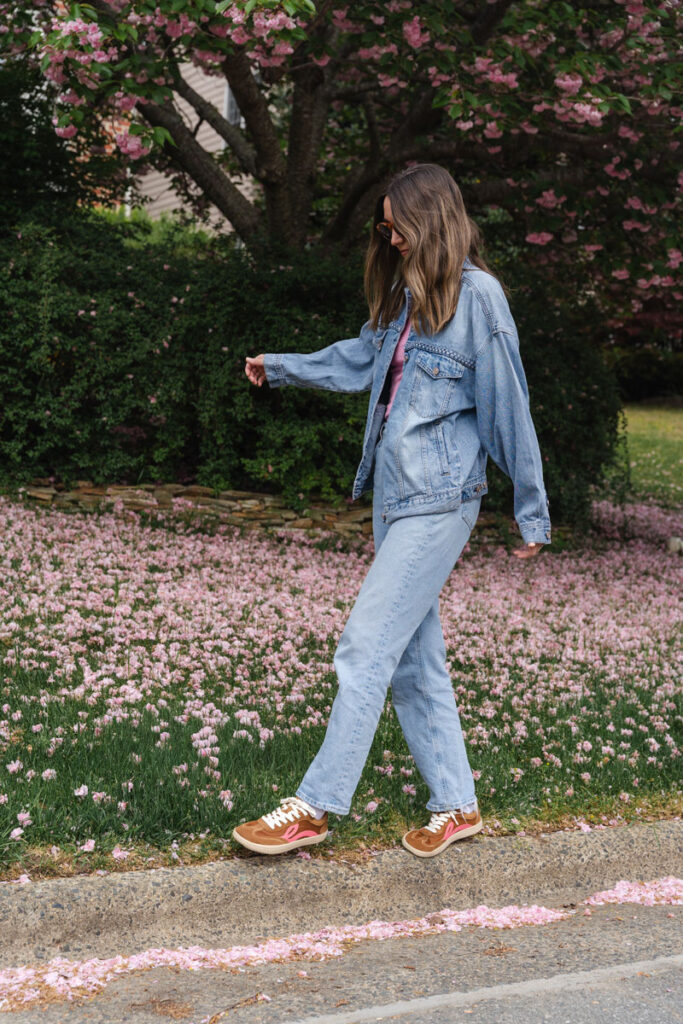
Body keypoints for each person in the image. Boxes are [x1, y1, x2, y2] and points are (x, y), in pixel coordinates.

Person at [235, 163, 551, 858]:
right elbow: (359, 360)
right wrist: (282, 366)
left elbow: (508, 404)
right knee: (412, 661)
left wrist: (531, 508)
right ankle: (456, 803)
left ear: (431, 219)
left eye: (397, 226)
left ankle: (314, 807)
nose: (391, 239)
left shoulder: (479, 297)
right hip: (395, 500)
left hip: (441, 502)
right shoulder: (410, 298)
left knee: (364, 647)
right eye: (383, 228)